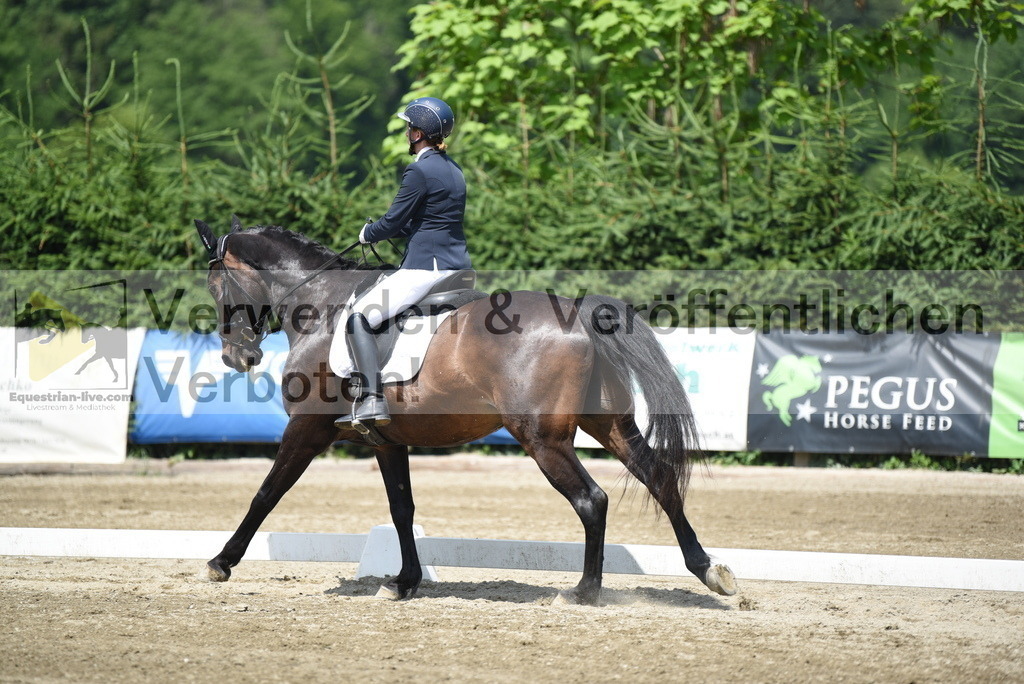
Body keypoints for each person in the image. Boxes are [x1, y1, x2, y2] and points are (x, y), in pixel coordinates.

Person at [335, 96, 471, 432]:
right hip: (457, 265)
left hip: (425, 268)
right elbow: (430, 221)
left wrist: (369, 233)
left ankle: (370, 398)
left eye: (410, 127)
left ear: (419, 134)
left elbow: (393, 222)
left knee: (359, 317)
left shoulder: (419, 170)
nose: (406, 132)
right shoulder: (454, 170)